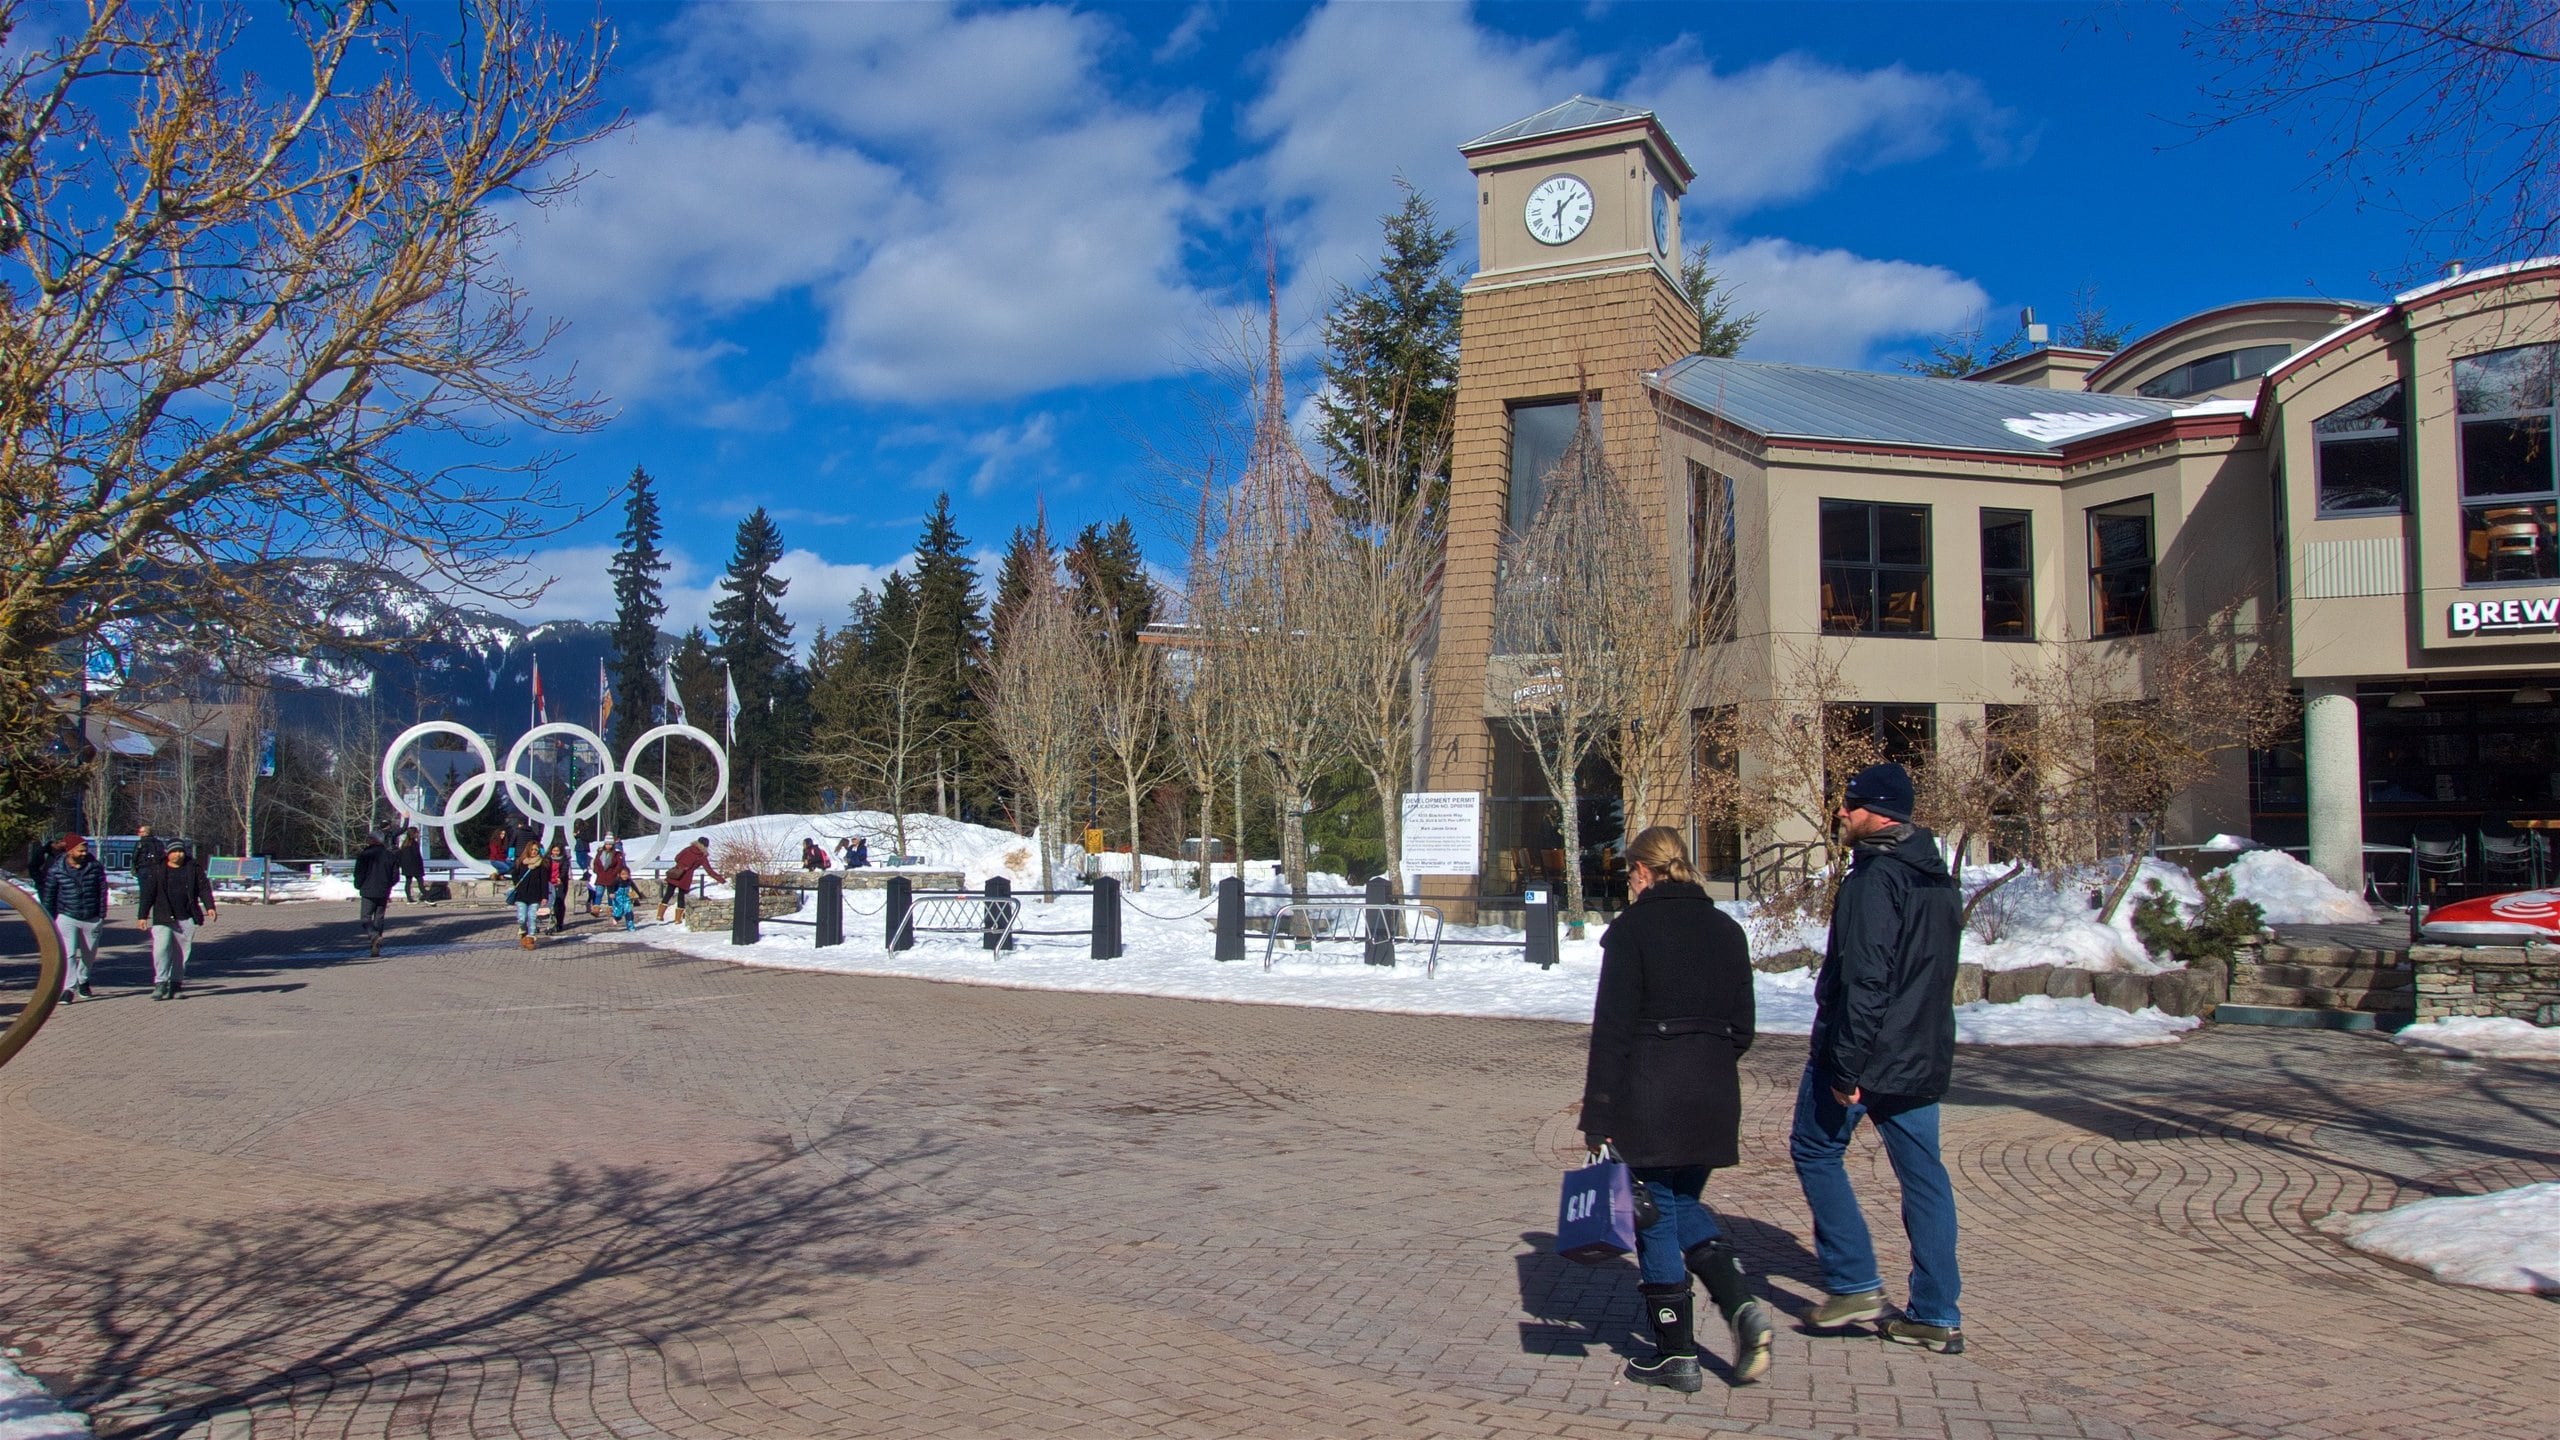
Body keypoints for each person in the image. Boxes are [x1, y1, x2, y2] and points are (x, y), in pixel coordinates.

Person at [1579, 826, 1770, 1391]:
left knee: (1655, 1213)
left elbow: (1611, 1032)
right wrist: (1703, 1056)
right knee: (1681, 1200)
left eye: (1629, 873)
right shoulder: (1727, 930)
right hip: (1712, 1092)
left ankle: (1676, 1352)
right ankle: (1739, 1308)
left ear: (1643, 871)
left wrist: (1598, 1113)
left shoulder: (1632, 931)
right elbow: (1743, 1028)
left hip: (1651, 1093)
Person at [1791, 762, 1967, 1354]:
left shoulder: (1875, 878)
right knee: (1925, 1179)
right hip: (1922, 1054)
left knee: (1815, 1148)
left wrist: (1846, 1065)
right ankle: (1937, 1314)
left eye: (1850, 803)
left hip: (1869, 1055)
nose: (1840, 811)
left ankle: (1855, 1282)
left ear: (1879, 812)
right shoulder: (1937, 877)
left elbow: (1867, 980)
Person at [135, 838, 215, 1000]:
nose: (178, 854)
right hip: (163, 916)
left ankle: (176, 985)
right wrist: (143, 915)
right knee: (161, 950)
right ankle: (160, 983)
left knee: (181, 953)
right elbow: (148, 893)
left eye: (180, 851)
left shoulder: (192, 868)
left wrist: (210, 906)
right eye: (174, 851)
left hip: (186, 916)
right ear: (168, 853)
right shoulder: (158, 869)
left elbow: (204, 888)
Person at [39, 832, 107, 1003]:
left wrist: (101, 915)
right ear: (69, 851)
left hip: (91, 917)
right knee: (68, 954)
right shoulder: (56, 870)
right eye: (80, 851)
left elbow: (102, 891)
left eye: (85, 850)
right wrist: (49, 919)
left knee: (88, 954)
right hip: (67, 915)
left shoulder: (95, 866)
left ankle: (83, 980)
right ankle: (68, 988)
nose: (84, 853)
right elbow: (49, 895)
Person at [353, 831, 398, 958]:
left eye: (369, 838)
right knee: (379, 918)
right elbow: (395, 876)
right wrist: (388, 885)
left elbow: (359, 873)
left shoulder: (364, 855)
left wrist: (358, 884)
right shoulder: (390, 855)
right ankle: (376, 947)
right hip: (383, 890)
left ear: (373, 840)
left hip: (368, 890)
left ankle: (374, 936)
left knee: (365, 918)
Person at [658, 836, 723, 923]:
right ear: (706, 846)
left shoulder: (688, 849)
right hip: (686, 878)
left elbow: (676, 858)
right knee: (681, 897)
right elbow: (709, 871)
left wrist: (681, 864)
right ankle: (677, 920)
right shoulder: (702, 856)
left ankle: (660, 915)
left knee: (669, 893)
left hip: (676, 873)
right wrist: (722, 880)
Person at [507, 845, 550, 949]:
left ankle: (530, 939)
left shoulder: (542, 864)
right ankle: (523, 932)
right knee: (522, 918)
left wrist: (544, 896)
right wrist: (518, 884)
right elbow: (514, 874)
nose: (534, 851)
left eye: (536, 850)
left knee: (532, 917)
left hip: (535, 895)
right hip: (521, 895)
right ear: (528, 850)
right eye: (532, 849)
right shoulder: (521, 862)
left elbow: (544, 881)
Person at [544, 841, 572, 934]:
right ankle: (551, 921)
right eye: (554, 850)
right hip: (549, 883)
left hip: (560, 883)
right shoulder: (547, 859)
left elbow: (564, 870)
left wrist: (560, 878)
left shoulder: (564, 860)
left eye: (557, 851)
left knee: (558, 903)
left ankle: (559, 923)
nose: (555, 853)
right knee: (550, 903)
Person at [397, 828, 427, 902]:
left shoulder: (404, 844)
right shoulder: (414, 844)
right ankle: (427, 896)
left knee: (408, 882)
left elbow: (401, 856)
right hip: (415, 867)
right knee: (420, 882)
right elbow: (417, 856)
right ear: (414, 834)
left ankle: (409, 898)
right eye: (417, 833)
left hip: (407, 867)